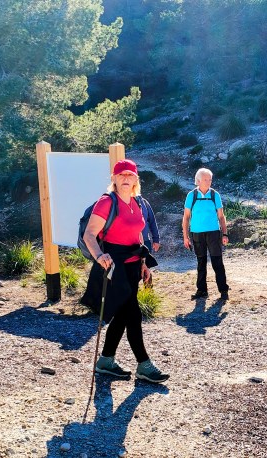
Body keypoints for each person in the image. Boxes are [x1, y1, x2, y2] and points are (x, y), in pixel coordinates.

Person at [80, 159, 169, 383]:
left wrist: (143, 263)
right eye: (122, 175)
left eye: (130, 175)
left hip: (132, 265)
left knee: (121, 315)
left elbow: (137, 234)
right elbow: (89, 235)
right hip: (114, 266)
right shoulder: (106, 202)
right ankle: (144, 365)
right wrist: (99, 256)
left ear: (136, 179)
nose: (126, 179)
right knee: (133, 314)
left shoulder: (137, 202)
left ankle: (106, 361)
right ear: (114, 178)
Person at [182, 168, 230, 301]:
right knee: (201, 263)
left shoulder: (215, 195)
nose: (208, 182)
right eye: (205, 179)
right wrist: (185, 237)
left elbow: (221, 216)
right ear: (198, 181)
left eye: (210, 179)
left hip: (213, 233)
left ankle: (223, 290)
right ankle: (202, 290)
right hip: (196, 233)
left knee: (217, 262)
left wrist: (224, 234)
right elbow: (186, 217)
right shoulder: (191, 196)